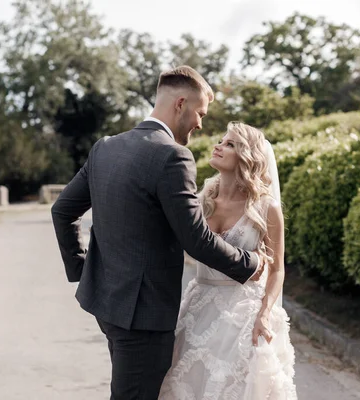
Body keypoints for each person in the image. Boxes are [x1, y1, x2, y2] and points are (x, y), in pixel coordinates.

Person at [51, 66, 266, 400]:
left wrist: (82, 270)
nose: (200, 124)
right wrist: (249, 263)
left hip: (104, 303)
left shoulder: (105, 147)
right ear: (181, 103)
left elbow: (62, 210)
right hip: (144, 315)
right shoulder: (173, 156)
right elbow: (195, 239)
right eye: (200, 113)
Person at [159, 122, 297, 399]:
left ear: (247, 156)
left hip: (244, 315)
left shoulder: (266, 208)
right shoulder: (200, 201)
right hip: (198, 308)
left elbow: (277, 269)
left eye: (230, 143)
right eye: (221, 140)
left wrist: (265, 314)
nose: (218, 146)